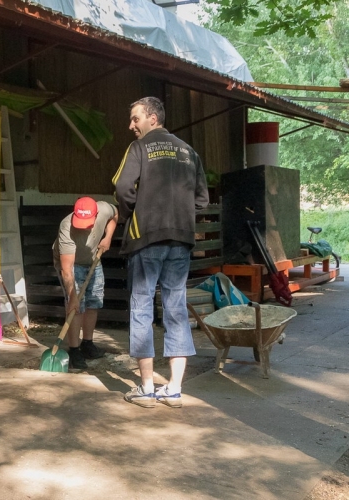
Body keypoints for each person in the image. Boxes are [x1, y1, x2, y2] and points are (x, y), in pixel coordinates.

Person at [112, 96, 208, 409]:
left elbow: (123, 188)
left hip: (147, 238)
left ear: (153, 119)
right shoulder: (189, 151)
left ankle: (146, 387)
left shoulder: (139, 148)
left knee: (141, 306)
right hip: (180, 240)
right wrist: (179, 216)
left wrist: (132, 214)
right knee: (176, 307)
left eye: (135, 118)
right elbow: (202, 200)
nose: (131, 126)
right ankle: (175, 389)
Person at [52, 197, 118, 369]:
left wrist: (108, 237)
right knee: (76, 307)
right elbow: (67, 269)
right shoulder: (66, 226)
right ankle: (74, 350)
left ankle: (87, 344)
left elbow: (115, 215)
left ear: (96, 215)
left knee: (93, 303)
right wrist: (73, 296)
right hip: (72, 264)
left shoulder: (103, 209)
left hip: (93, 259)